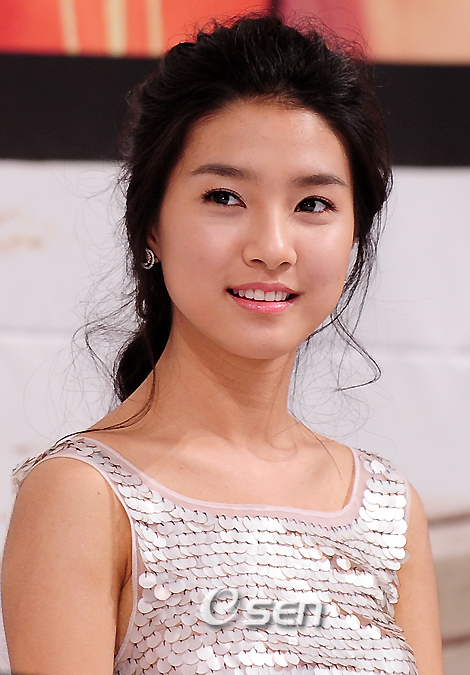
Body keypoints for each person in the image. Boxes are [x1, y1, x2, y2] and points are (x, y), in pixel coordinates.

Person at [1, 13, 443, 675]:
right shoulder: (82, 496)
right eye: (226, 196)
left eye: (313, 204)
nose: (272, 247)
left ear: (355, 232)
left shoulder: (389, 510)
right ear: (152, 222)